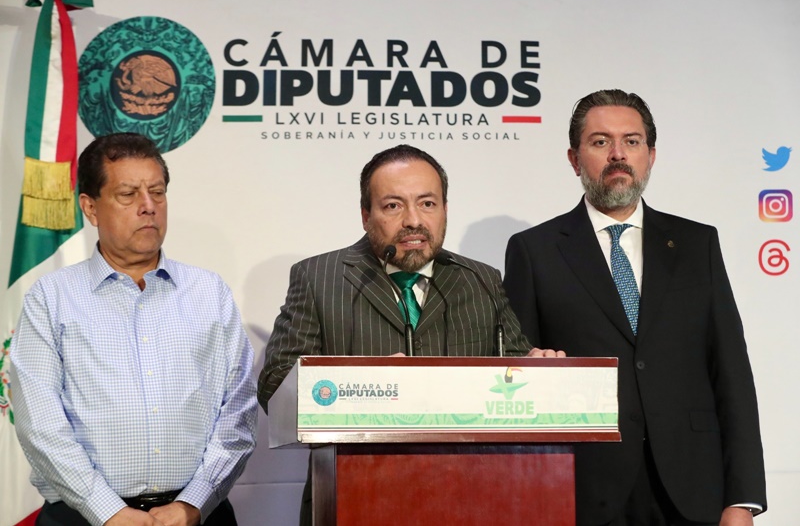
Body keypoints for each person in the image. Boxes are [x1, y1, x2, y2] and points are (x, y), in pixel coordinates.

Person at [258, 144, 559, 525]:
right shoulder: (319, 278)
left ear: (445, 209)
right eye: (393, 206)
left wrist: (538, 371)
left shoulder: (480, 280)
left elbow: (514, 369)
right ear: (366, 216)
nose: (413, 220)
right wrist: (362, 384)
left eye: (427, 204)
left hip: (473, 496)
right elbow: (275, 384)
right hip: (354, 497)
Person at [503, 89, 767, 526]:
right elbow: (518, 375)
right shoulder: (535, 251)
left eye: (632, 141)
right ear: (574, 159)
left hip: (693, 489)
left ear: (651, 155)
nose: (618, 154)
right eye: (600, 141)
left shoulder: (697, 244)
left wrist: (743, 498)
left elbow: (731, 373)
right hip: (583, 491)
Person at [10, 133, 258, 526]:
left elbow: (239, 409)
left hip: (196, 515)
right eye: (128, 194)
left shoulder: (208, 292)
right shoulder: (51, 297)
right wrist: (106, 510)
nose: (148, 206)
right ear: (90, 207)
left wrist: (193, 503)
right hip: (82, 515)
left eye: (157, 192)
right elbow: (40, 422)